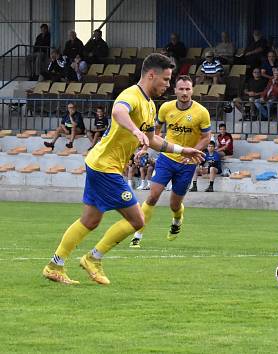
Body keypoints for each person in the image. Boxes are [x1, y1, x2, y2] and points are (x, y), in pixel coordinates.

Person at [41, 53, 205, 285]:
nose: (168, 85)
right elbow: (119, 112)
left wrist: (183, 150)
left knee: (89, 221)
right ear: (151, 75)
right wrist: (135, 130)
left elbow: (154, 140)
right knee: (138, 220)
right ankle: (92, 259)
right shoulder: (131, 95)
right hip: (104, 167)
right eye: (166, 79)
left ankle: (54, 265)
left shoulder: (149, 104)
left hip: (101, 164)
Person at [129, 75, 211, 248]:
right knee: (153, 196)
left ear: (192, 90)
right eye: (181, 89)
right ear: (175, 90)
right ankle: (138, 235)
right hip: (166, 158)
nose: (184, 92)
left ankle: (177, 220)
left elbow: (206, 138)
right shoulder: (166, 108)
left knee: (175, 204)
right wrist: (144, 149)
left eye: (187, 89)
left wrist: (192, 152)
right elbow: (154, 133)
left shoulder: (201, 112)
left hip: (187, 164)